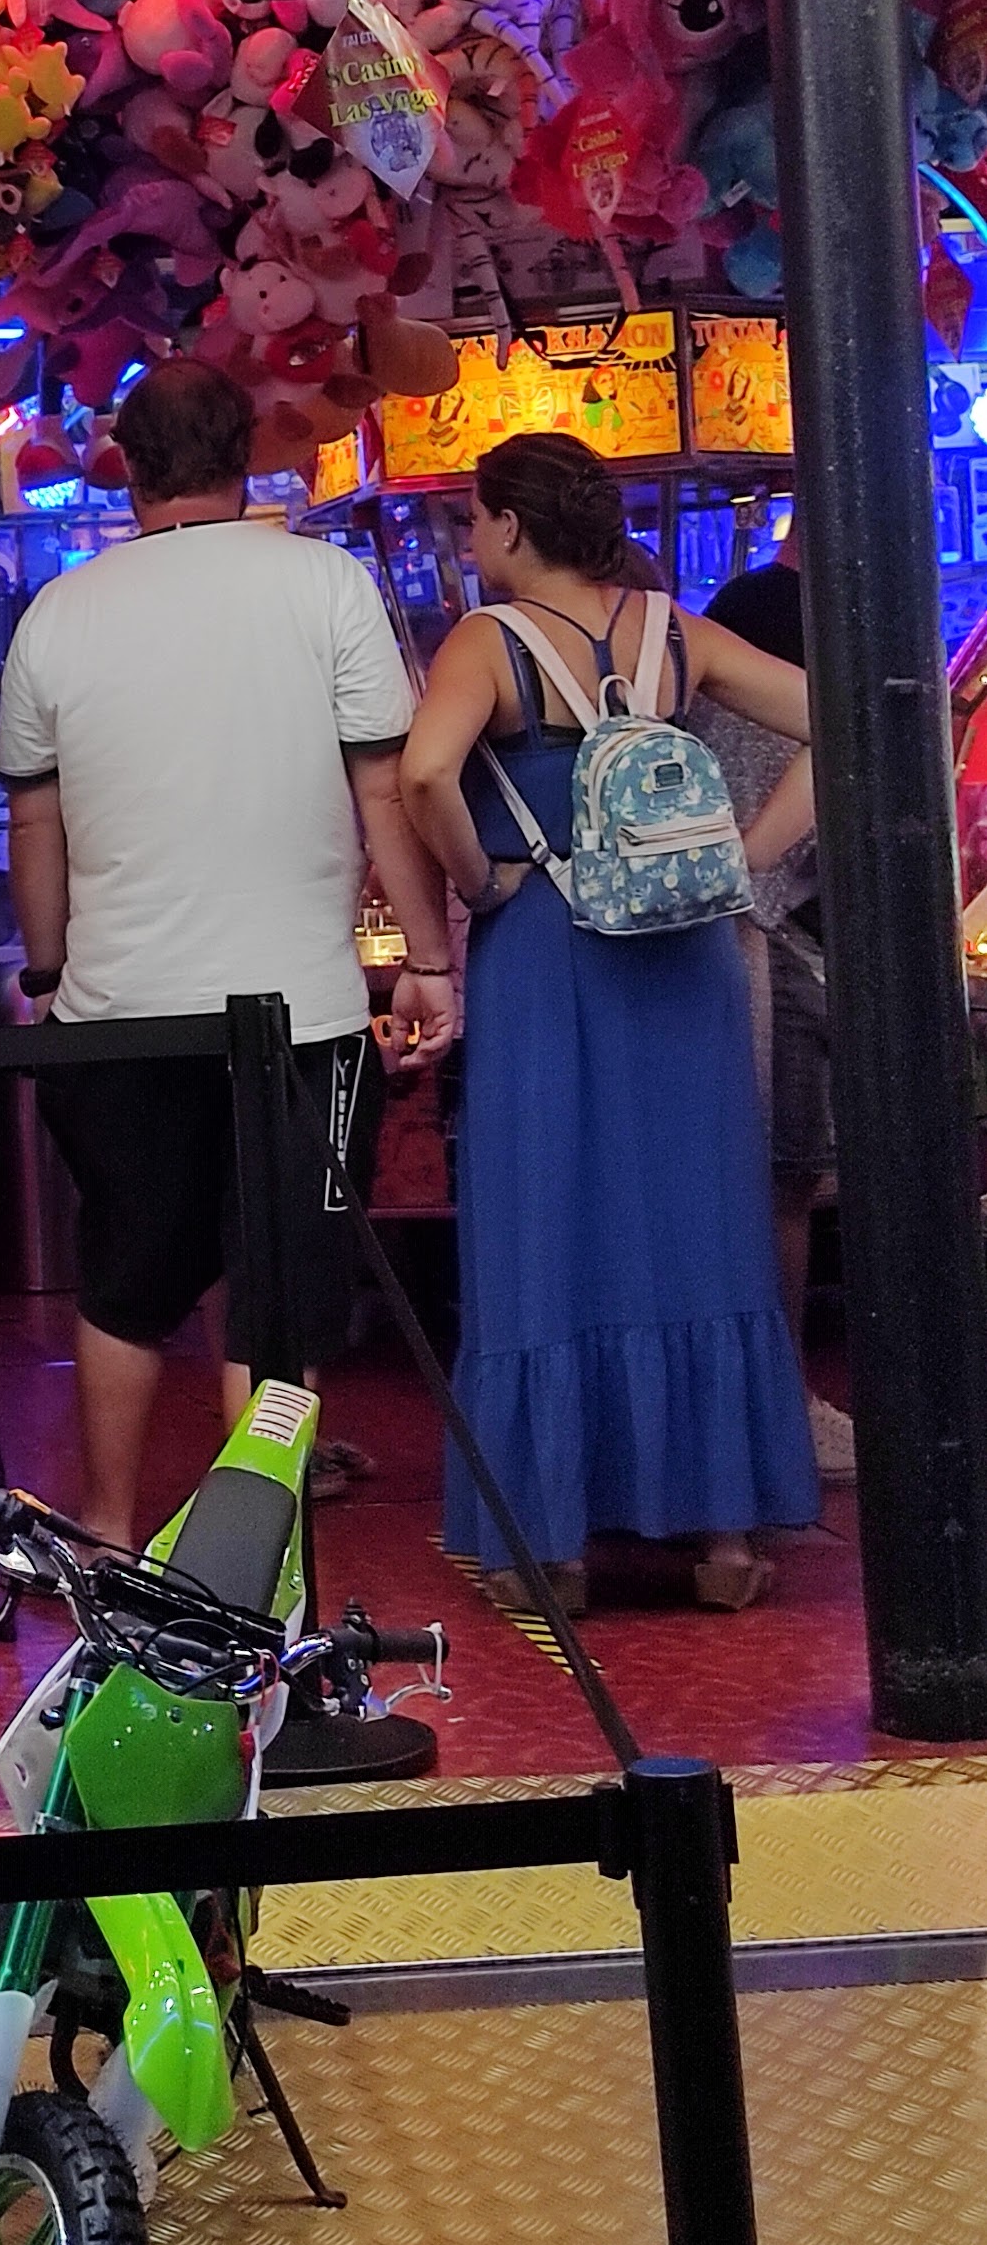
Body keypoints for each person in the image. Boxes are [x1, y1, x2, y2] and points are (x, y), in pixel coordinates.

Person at [0, 358, 458, 1547]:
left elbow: (34, 822)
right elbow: (383, 788)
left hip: (118, 1012)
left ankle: (106, 1526)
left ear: (126, 466)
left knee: (123, 1281)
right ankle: (259, 1551)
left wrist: (46, 975)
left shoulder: (59, 611)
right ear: (248, 456)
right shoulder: (326, 583)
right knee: (277, 1297)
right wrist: (429, 955)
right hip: (303, 1018)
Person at [399, 431, 817, 1614]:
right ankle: (724, 1537)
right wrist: (745, 853)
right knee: (697, 1212)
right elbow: (846, 718)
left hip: (548, 944)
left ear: (510, 527)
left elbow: (426, 771)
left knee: (544, 1218)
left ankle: (554, 1548)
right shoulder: (675, 631)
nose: (472, 539)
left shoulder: (486, 640)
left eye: (475, 519)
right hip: (683, 948)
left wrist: (479, 879)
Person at [692, 512, 853, 1486]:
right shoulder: (771, 609)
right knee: (781, 1174)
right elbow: (826, 752)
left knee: (786, 1174)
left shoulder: (754, 608)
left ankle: (778, 1402)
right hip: (775, 921)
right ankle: (781, 1405)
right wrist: (752, 865)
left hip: (775, 914)